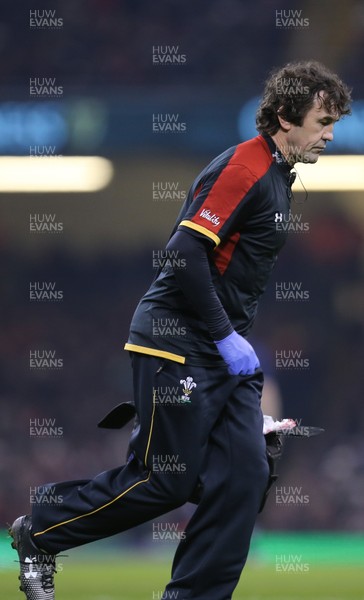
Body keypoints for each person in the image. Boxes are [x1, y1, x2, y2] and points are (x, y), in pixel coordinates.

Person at [10, 60, 351, 600]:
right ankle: (43, 529)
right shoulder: (245, 166)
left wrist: (232, 345)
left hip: (226, 356)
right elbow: (184, 252)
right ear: (286, 116)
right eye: (322, 121)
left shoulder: (280, 178)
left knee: (245, 476)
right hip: (177, 342)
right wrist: (224, 335)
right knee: (165, 479)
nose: (331, 133)